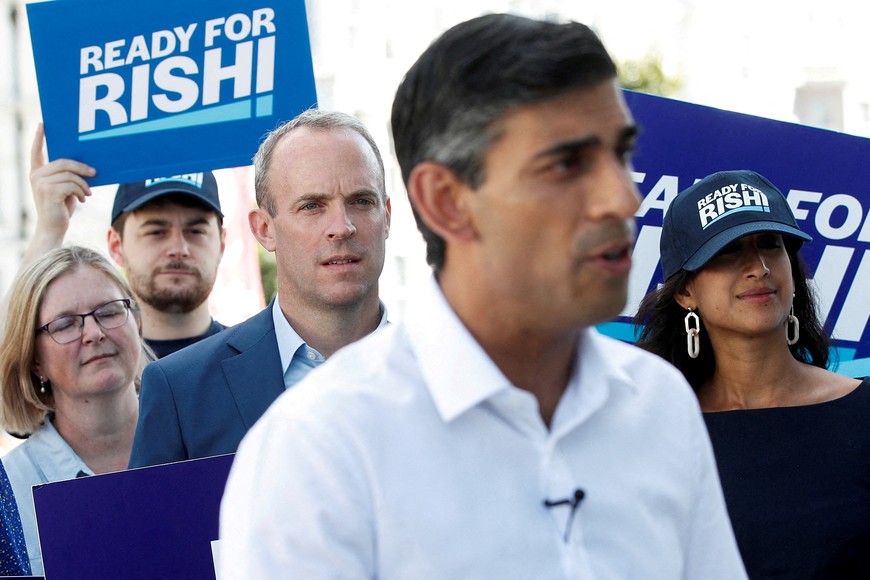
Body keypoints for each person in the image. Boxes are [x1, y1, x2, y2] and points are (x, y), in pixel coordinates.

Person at [219, 13, 746, 579]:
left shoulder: (659, 405)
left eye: (621, 155)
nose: (623, 197)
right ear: (446, 201)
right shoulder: (318, 449)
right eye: (566, 164)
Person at [634, 169, 870, 578]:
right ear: (686, 291)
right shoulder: (656, 431)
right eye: (727, 252)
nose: (758, 267)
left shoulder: (862, 413)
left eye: (770, 246)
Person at [128, 109, 391, 468]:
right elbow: (153, 526)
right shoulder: (181, 392)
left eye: (361, 201)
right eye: (312, 206)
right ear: (264, 229)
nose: (341, 227)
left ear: (387, 216)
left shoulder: (452, 366)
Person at [0, 245, 150, 575]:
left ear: (137, 323)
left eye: (109, 311)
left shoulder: (201, 445)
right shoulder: (7, 489)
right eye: (66, 324)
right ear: (34, 359)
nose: (94, 334)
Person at [19, 123, 227, 358]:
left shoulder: (264, 361)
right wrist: (49, 230)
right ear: (117, 246)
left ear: (221, 244)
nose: (178, 249)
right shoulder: (93, 365)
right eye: (156, 232)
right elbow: (10, 367)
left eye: (196, 231)